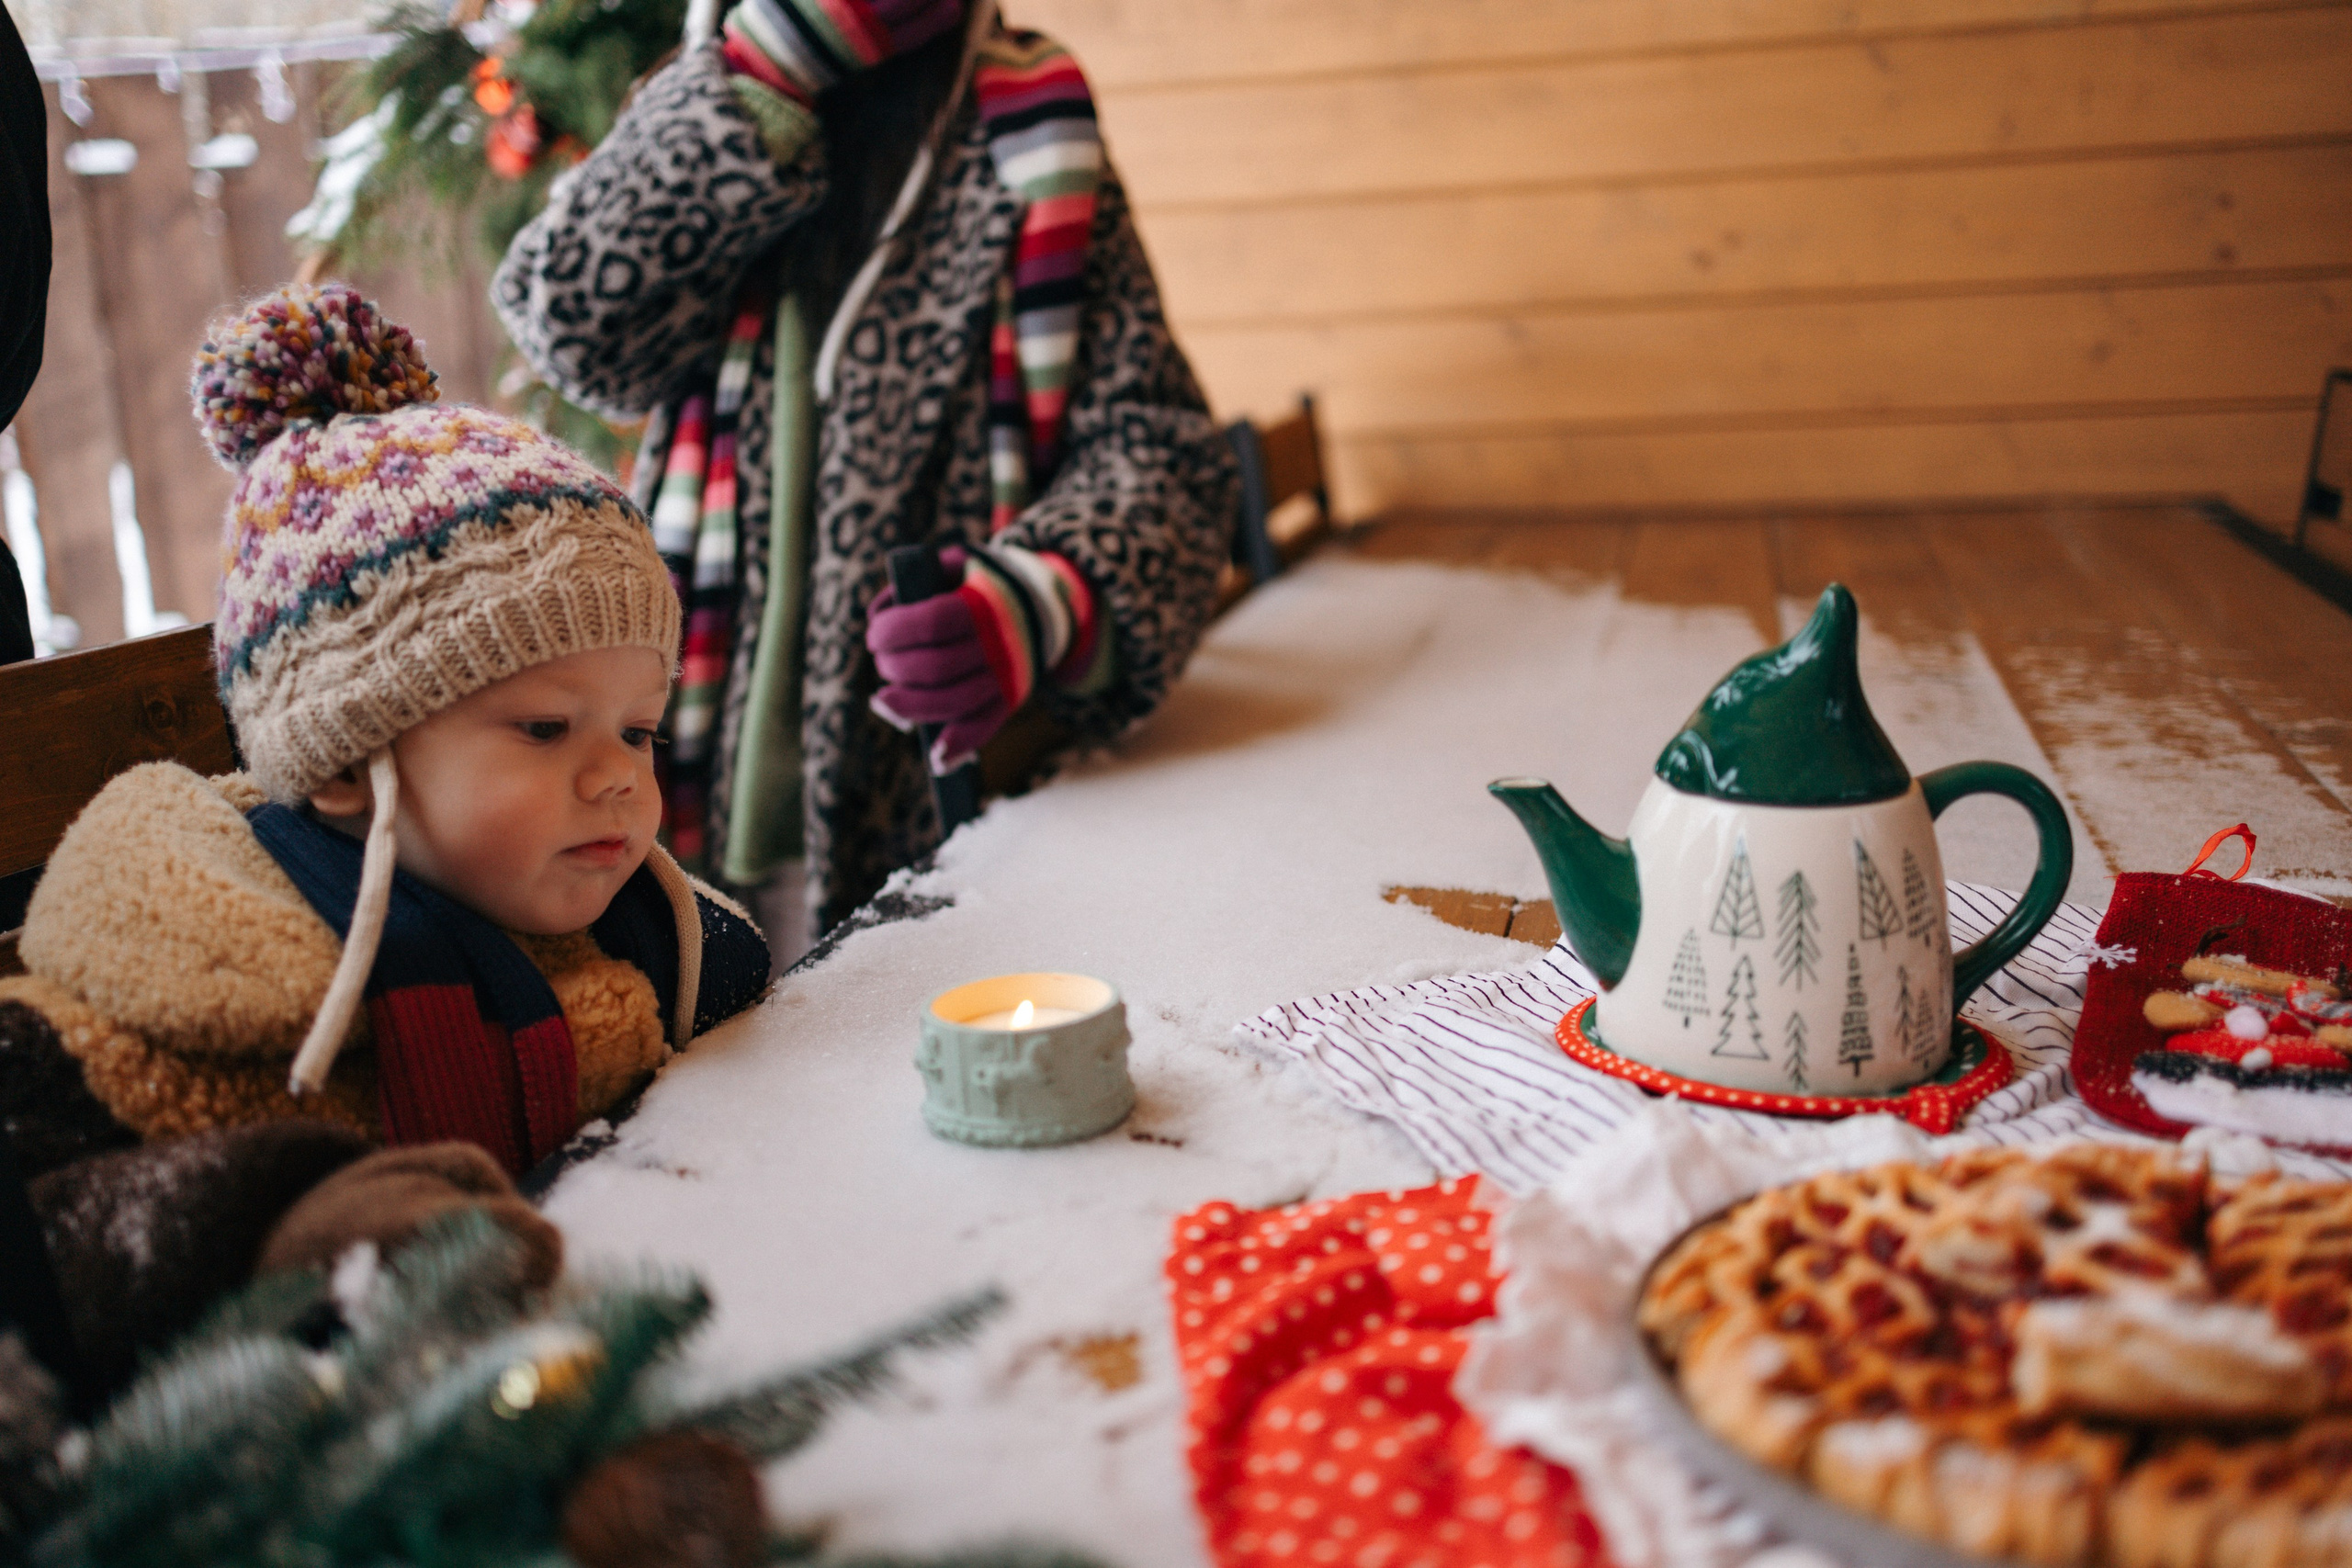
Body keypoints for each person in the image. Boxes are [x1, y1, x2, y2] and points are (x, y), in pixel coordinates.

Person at [492, 0, 1238, 936]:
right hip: (679, 765)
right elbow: (570, 326)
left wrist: (1038, 598)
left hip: (947, 793)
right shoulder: (711, 77)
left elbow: (1164, 452)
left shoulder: (1023, 114)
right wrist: (766, 73)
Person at [0, 284, 771, 1186]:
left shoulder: (664, 937)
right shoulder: (190, 1005)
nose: (617, 778)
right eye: (545, 727)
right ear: (342, 765)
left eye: (638, 732)